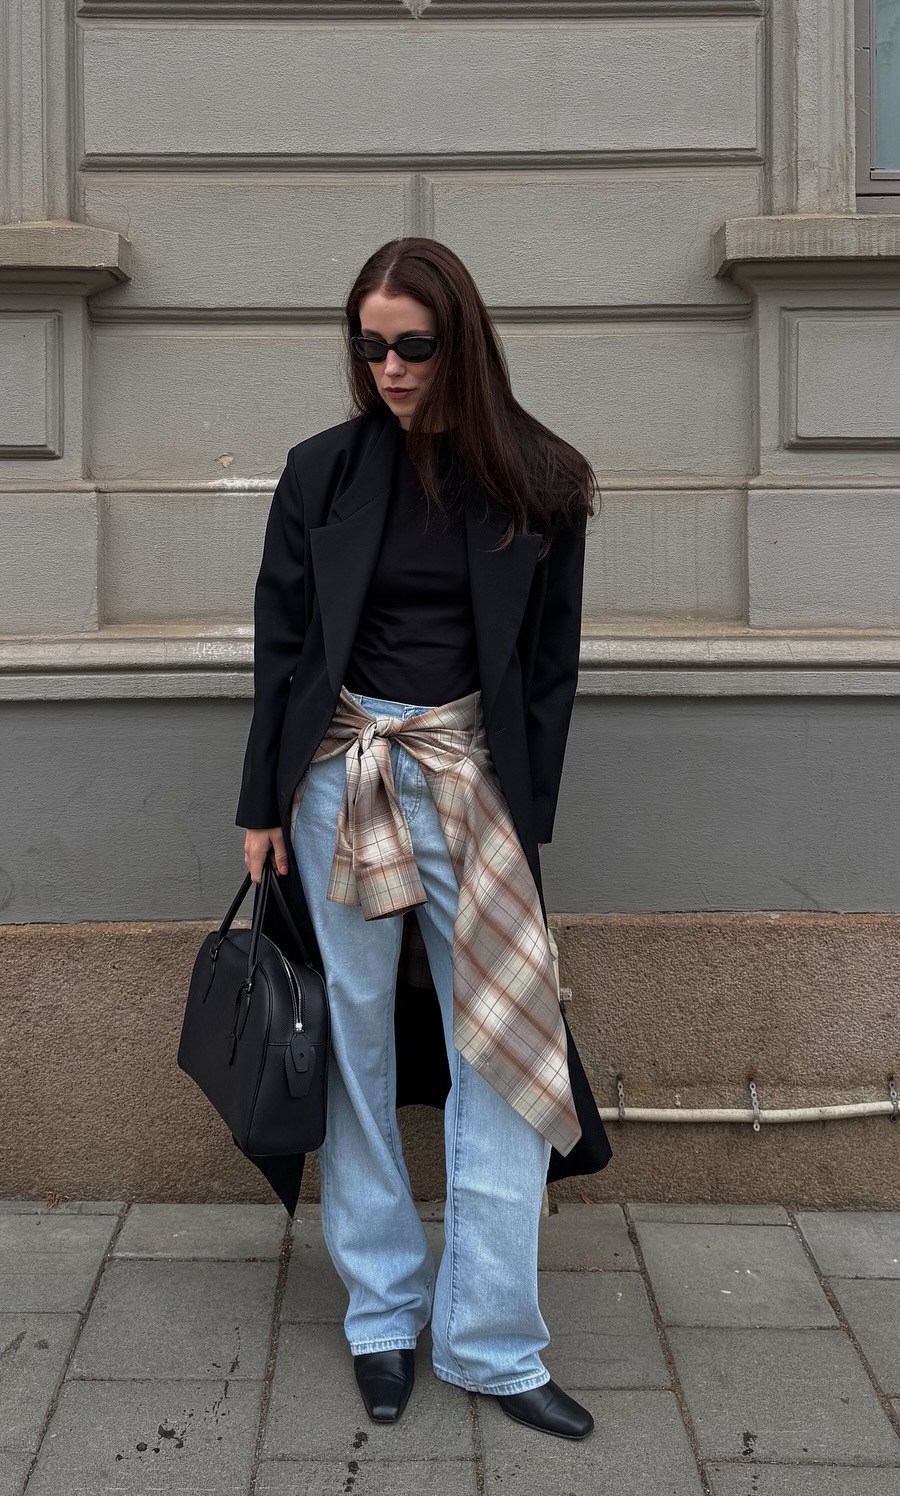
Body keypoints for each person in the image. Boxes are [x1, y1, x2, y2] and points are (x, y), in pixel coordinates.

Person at [234, 237, 611, 1439]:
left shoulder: (543, 480)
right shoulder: (322, 474)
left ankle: (494, 1342)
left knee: (501, 1048)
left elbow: (549, 670)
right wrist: (258, 806)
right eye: (371, 345)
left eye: (413, 344)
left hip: (469, 779)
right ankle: (383, 1315)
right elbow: (282, 649)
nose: (390, 368)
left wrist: (523, 815)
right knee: (350, 1043)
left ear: (462, 341)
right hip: (339, 774)